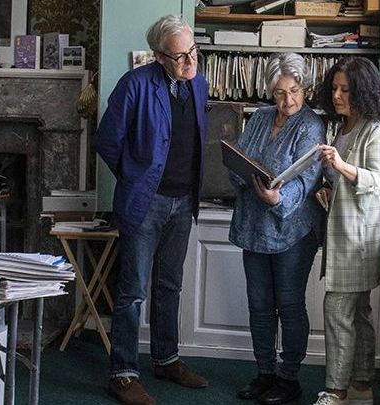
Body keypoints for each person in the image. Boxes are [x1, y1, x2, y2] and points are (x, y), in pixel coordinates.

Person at [95, 14, 209, 405]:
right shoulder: (134, 85)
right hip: (146, 204)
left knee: (169, 286)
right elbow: (107, 141)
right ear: (160, 57)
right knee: (132, 292)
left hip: (184, 202)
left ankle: (166, 359)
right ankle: (123, 374)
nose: (190, 62)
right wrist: (134, 179)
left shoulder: (199, 84)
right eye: (180, 56)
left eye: (193, 51)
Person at [228, 53, 326, 405]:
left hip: (293, 231)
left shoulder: (312, 126)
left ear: (305, 88)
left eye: (295, 91)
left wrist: (276, 200)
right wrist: (240, 170)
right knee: (259, 305)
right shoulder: (261, 117)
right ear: (271, 91)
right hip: (253, 226)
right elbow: (238, 157)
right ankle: (264, 373)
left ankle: (288, 378)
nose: (288, 101)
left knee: (289, 305)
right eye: (280, 93)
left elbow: (308, 178)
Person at [311, 57, 380, 405]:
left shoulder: (378, 131)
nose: (336, 96)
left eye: (345, 90)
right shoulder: (345, 128)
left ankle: (335, 391)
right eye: (333, 88)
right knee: (358, 313)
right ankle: (362, 385)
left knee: (337, 310)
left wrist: (341, 165)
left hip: (360, 239)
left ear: (362, 91)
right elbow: (347, 182)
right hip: (345, 233)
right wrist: (329, 184)